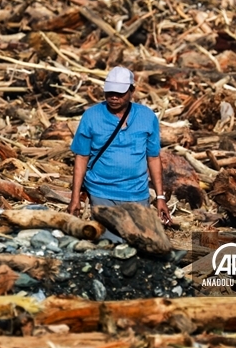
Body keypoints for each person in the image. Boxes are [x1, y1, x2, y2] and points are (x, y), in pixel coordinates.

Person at [68, 66, 172, 228]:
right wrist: (75, 198)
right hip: (101, 191)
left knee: (140, 242)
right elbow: (81, 157)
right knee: (109, 241)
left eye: (120, 93)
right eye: (110, 93)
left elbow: (153, 157)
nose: (114, 98)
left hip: (137, 193)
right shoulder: (92, 116)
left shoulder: (146, 117)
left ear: (132, 91)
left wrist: (160, 198)